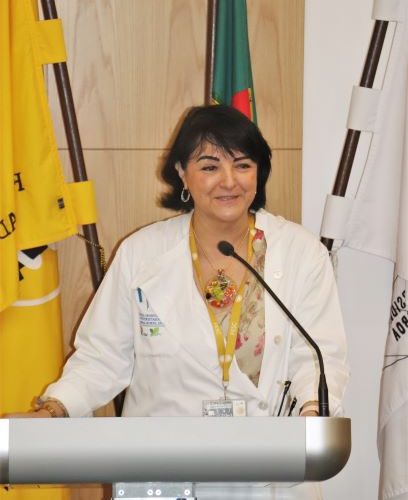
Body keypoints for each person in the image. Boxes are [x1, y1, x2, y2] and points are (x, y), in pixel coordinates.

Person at [11, 105, 349, 499]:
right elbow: (101, 358)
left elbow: (318, 358)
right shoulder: (141, 254)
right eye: (209, 166)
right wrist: (53, 409)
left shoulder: (301, 253)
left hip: (270, 478)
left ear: (259, 173)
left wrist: (312, 414)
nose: (229, 181)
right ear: (182, 173)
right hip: (161, 476)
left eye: (243, 165)